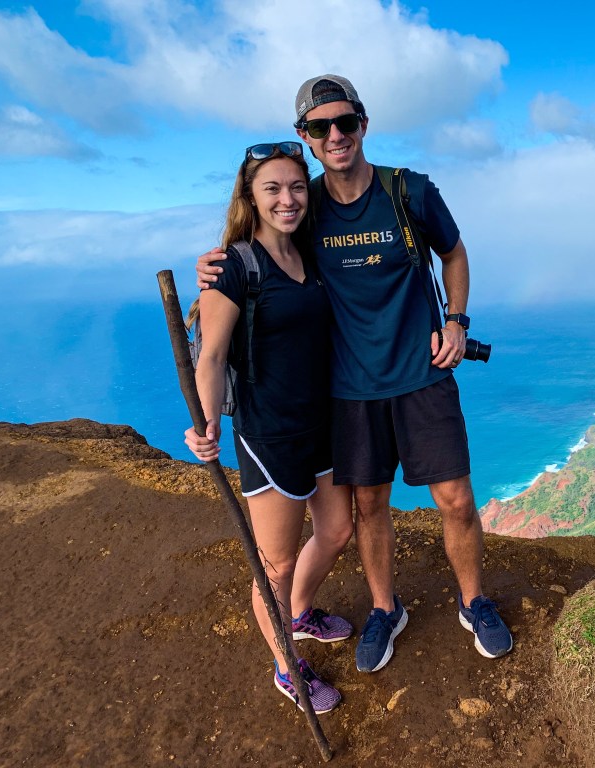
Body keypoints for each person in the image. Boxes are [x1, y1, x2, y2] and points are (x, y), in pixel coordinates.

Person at [196, 75, 512, 674]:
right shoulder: (304, 206)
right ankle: (384, 609)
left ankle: (474, 601)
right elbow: (262, 243)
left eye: (346, 122)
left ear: (363, 124)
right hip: (348, 390)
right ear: (306, 137)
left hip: (422, 375)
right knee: (368, 507)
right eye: (321, 127)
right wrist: (214, 266)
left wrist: (458, 320)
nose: (335, 135)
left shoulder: (408, 192)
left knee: (456, 499)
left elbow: (455, 253)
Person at [184, 141, 354, 713]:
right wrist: (205, 424)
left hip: (322, 424)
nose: (288, 199)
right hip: (269, 433)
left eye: (297, 187)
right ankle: (288, 668)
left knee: (336, 532)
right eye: (273, 189)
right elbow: (209, 357)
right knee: (274, 564)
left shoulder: (309, 251)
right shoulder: (233, 266)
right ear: (250, 198)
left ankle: (299, 616)